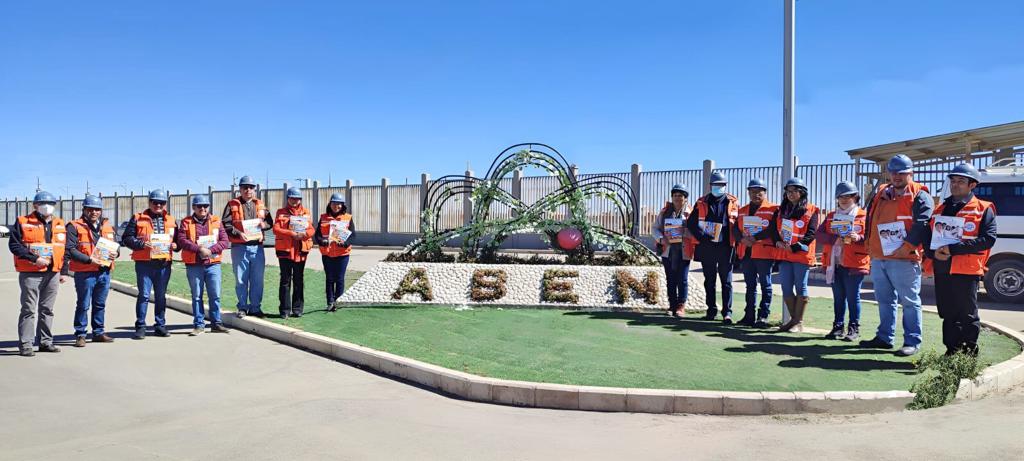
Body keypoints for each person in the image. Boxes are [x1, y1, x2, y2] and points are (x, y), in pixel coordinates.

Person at [859, 154, 934, 357]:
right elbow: (870, 218)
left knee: (909, 302)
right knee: (884, 300)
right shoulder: (882, 192)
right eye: (893, 172)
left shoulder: (920, 195)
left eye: (902, 172)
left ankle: (912, 341)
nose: (897, 176)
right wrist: (869, 246)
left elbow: (923, 224)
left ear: (911, 173)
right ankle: (884, 338)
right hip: (879, 257)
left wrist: (908, 246)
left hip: (904, 259)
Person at [924, 164, 996, 356]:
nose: (955, 185)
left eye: (961, 182)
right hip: (943, 269)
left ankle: (969, 352)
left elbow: (988, 239)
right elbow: (928, 237)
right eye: (953, 181)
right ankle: (951, 350)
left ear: (972, 185)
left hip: (967, 270)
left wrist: (952, 249)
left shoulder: (983, 208)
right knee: (947, 312)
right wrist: (933, 254)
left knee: (967, 314)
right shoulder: (940, 208)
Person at [755, 177, 818, 333]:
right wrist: (777, 242)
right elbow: (774, 230)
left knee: (801, 287)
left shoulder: (812, 210)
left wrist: (795, 247)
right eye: (788, 191)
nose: (790, 194)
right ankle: (794, 321)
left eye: (794, 191)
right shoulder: (781, 210)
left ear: (802, 192)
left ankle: (798, 322)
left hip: (801, 255)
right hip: (784, 255)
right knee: (786, 288)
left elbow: (811, 234)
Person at [9, 191, 67, 357]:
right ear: (35, 205)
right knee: (28, 309)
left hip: (53, 273)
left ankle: (45, 342)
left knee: (47, 309)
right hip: (31, 272)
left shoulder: (59, 223)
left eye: (51, 204)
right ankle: (26, 344)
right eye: (42, 203)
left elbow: (64, 250)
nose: (47, 207)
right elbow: (14, 246)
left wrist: (63, 271)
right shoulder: (23, 222)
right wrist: (35, 259)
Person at [121, 189, 178, 340]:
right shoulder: (138, 218)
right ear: (150, 202)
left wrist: (176, 246)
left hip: (163, 264)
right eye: (155, 202)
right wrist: (141, 244)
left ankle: (160, 325)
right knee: (144, 296)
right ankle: (140, 326)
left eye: (161, 203)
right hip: (144, 264)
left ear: (165, 204)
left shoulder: (171, 220)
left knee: (160, 296)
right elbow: (126, 238)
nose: (158, 205)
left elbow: (178, 241)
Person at [63, 195, 118, 347]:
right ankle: (80, 334)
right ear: (84, 209)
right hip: (85, 272)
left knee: (100, 304)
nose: (94, 212)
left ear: (101, 211)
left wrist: (116, 253)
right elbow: (70, 249)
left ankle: (98, 332)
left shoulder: (107, 226)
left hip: (104, 272)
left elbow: (116, 245)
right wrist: (89, 260)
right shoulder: (74, 226)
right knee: (83, 304)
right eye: (90, 209)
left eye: (97, 209)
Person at [818, 181, 869, 341]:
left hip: (854, 264)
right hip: (835, 263)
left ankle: (854, 328)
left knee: (853, 297)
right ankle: (837, 327)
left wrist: (858, 237)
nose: (845, 199)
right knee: (839, 297)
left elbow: (871, 238)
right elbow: (818, 235)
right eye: (841, 196)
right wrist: (834, 239)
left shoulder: (864, 215)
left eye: (849, 196)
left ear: (856, 197)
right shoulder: (831, 216)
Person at [686, 171, 739, 323]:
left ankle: (727, 313)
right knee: (709, 280)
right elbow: (691, 223)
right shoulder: (701, 201)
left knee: (726, 281)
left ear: (725, 186)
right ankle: (711, 310)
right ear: (710, 186)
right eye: (716, 185)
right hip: (706, 247)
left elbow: (738, 223)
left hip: (726, 247)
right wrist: (702, 236)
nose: (718, 188)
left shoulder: (733, 202)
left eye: (721, 185)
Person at [177, 195, 231, 336]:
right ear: (193, 207)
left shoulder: (216, 221)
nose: (203, 209)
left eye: (205, 206)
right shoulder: (186, 222)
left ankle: (216, 323)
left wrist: (210, 250)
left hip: (213, 264)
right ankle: (199, 324)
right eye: (199, 206)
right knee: (196, 296)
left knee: (215, 295)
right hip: (194, 264)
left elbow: (225, 241)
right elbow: (182, 240)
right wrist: (198, 249)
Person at [221, 175, 274, 319]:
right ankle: (242, 307)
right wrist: (238, 234)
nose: (248, 190)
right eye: (245, 187)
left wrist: (265, 225)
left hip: (257, 247)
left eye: (250, 187)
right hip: (240, 247)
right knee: (241, 279)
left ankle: (256, 308)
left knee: (257, 279)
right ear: (240, 189)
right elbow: (226, 224)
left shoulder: (261, 204)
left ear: (254, 189)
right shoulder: (232, 204)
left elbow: (270, 222)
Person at [735, 178, 777, 328]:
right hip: (747, 253)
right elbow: (735, 229)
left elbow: (773, 229)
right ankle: (749, 316)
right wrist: (741, 239)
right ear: (748, 193)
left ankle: (763, 317)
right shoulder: (742, 210)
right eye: (752, 191)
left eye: (759, 191)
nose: (756, 194)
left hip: (764, 253)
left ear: (765, 193)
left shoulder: (773, 209)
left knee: (766, 285)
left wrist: (755, 238)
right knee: (750, 286)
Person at [273, 187, 315, 319]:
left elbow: (311, 229)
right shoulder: (281, 212)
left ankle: (297, 309)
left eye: (297, 198)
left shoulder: (306, 212)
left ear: (300, 199)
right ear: (288, 199)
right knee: (285, 280)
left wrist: (304, 235)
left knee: (299, 280)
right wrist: (291, 234)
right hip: (285, 251)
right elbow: (276, 229)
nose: (294, 201)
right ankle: (284, 310)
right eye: (292, 198)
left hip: (300, 251)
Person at [652, 184, 693, 317]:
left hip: (684, 250)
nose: (677, 198)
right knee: (670, 279)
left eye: (680, 196)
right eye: (675, 195)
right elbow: (655, 228)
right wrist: (661, 239)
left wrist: (685, 232)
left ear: (685, 198)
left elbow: (697, 231)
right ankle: (672, 305)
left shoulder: (691, 213)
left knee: (683, 279)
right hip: (667, 250)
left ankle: (681, 306)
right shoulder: (665, 212)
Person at [314, 193, 356, 312]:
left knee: (340, 278)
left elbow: (353, 235)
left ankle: (338, 301)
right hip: (327, 254)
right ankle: (330, 302)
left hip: (342, 254)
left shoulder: (348, 217)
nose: (336, 206)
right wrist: (322, 241)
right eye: (334, 203)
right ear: (330, 204)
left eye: (339, 204)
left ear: (342, 205)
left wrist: (345, 243)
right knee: (329, 278)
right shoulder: (323, 217)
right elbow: (317, 235)